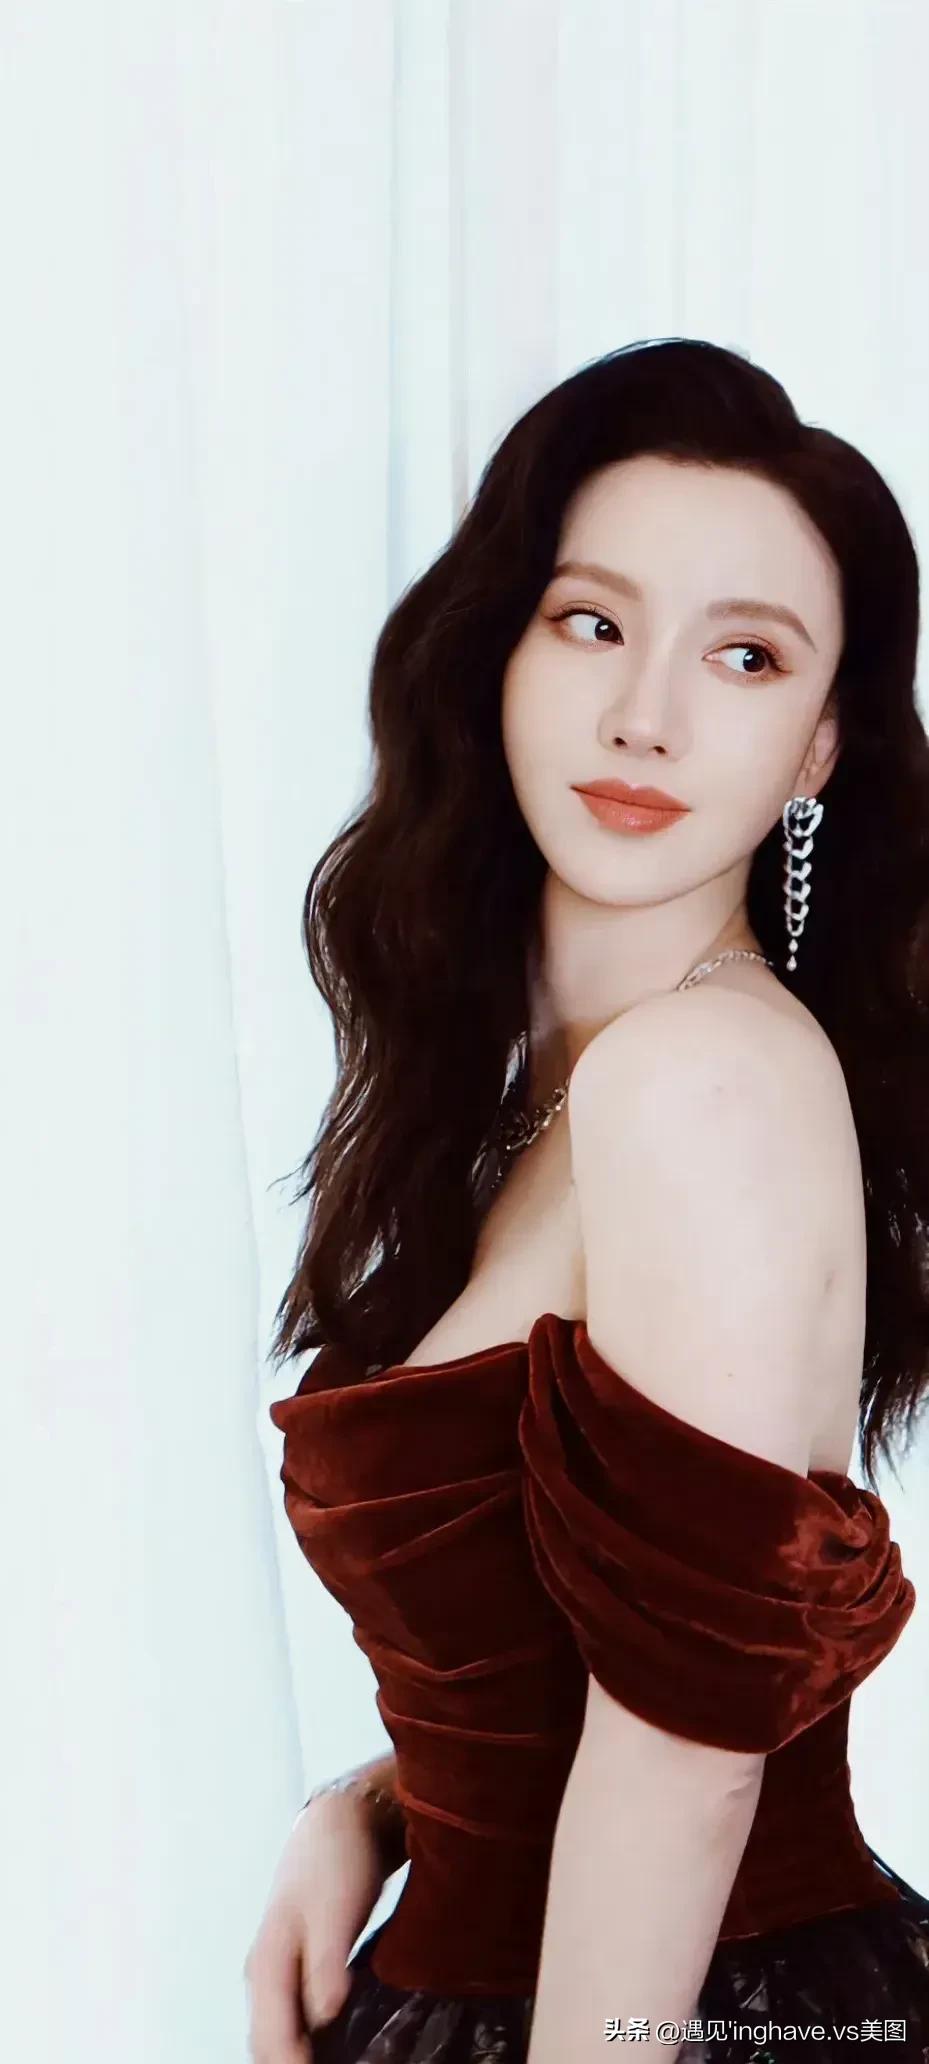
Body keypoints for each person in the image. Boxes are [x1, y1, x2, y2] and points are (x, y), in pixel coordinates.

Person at [246, 339, 929, 2063]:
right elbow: (569, 1652)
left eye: (745, 655)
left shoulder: (697, 1077)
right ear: (497, 649)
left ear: (817, 749)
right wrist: (374, 1808)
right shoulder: (548, 1090)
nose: (648, 716)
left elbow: (690, 1762)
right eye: (593, 622)